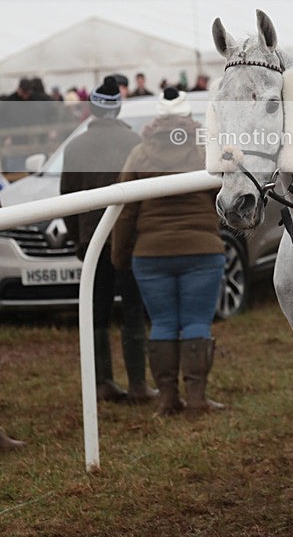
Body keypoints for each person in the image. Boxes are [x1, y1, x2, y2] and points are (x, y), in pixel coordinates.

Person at [112, 87, 226, 416]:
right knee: (195, 323)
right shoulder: (205, 148)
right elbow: (223, 197)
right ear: (189, 115)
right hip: (201, 249)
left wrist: (119, 256)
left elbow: (125, 211)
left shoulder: (138, 154)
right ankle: (196, 398)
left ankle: (166, 398)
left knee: (161, 323)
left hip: (150, 254)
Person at [60, 76, 156, 403]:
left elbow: (66, 200)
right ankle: (139, 385)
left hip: (92, 241)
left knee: (97, 310)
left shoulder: (74, 147)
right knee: (132, 309)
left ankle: (102, 382)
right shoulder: (134, 142)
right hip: (128, 241)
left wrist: (77, 241)